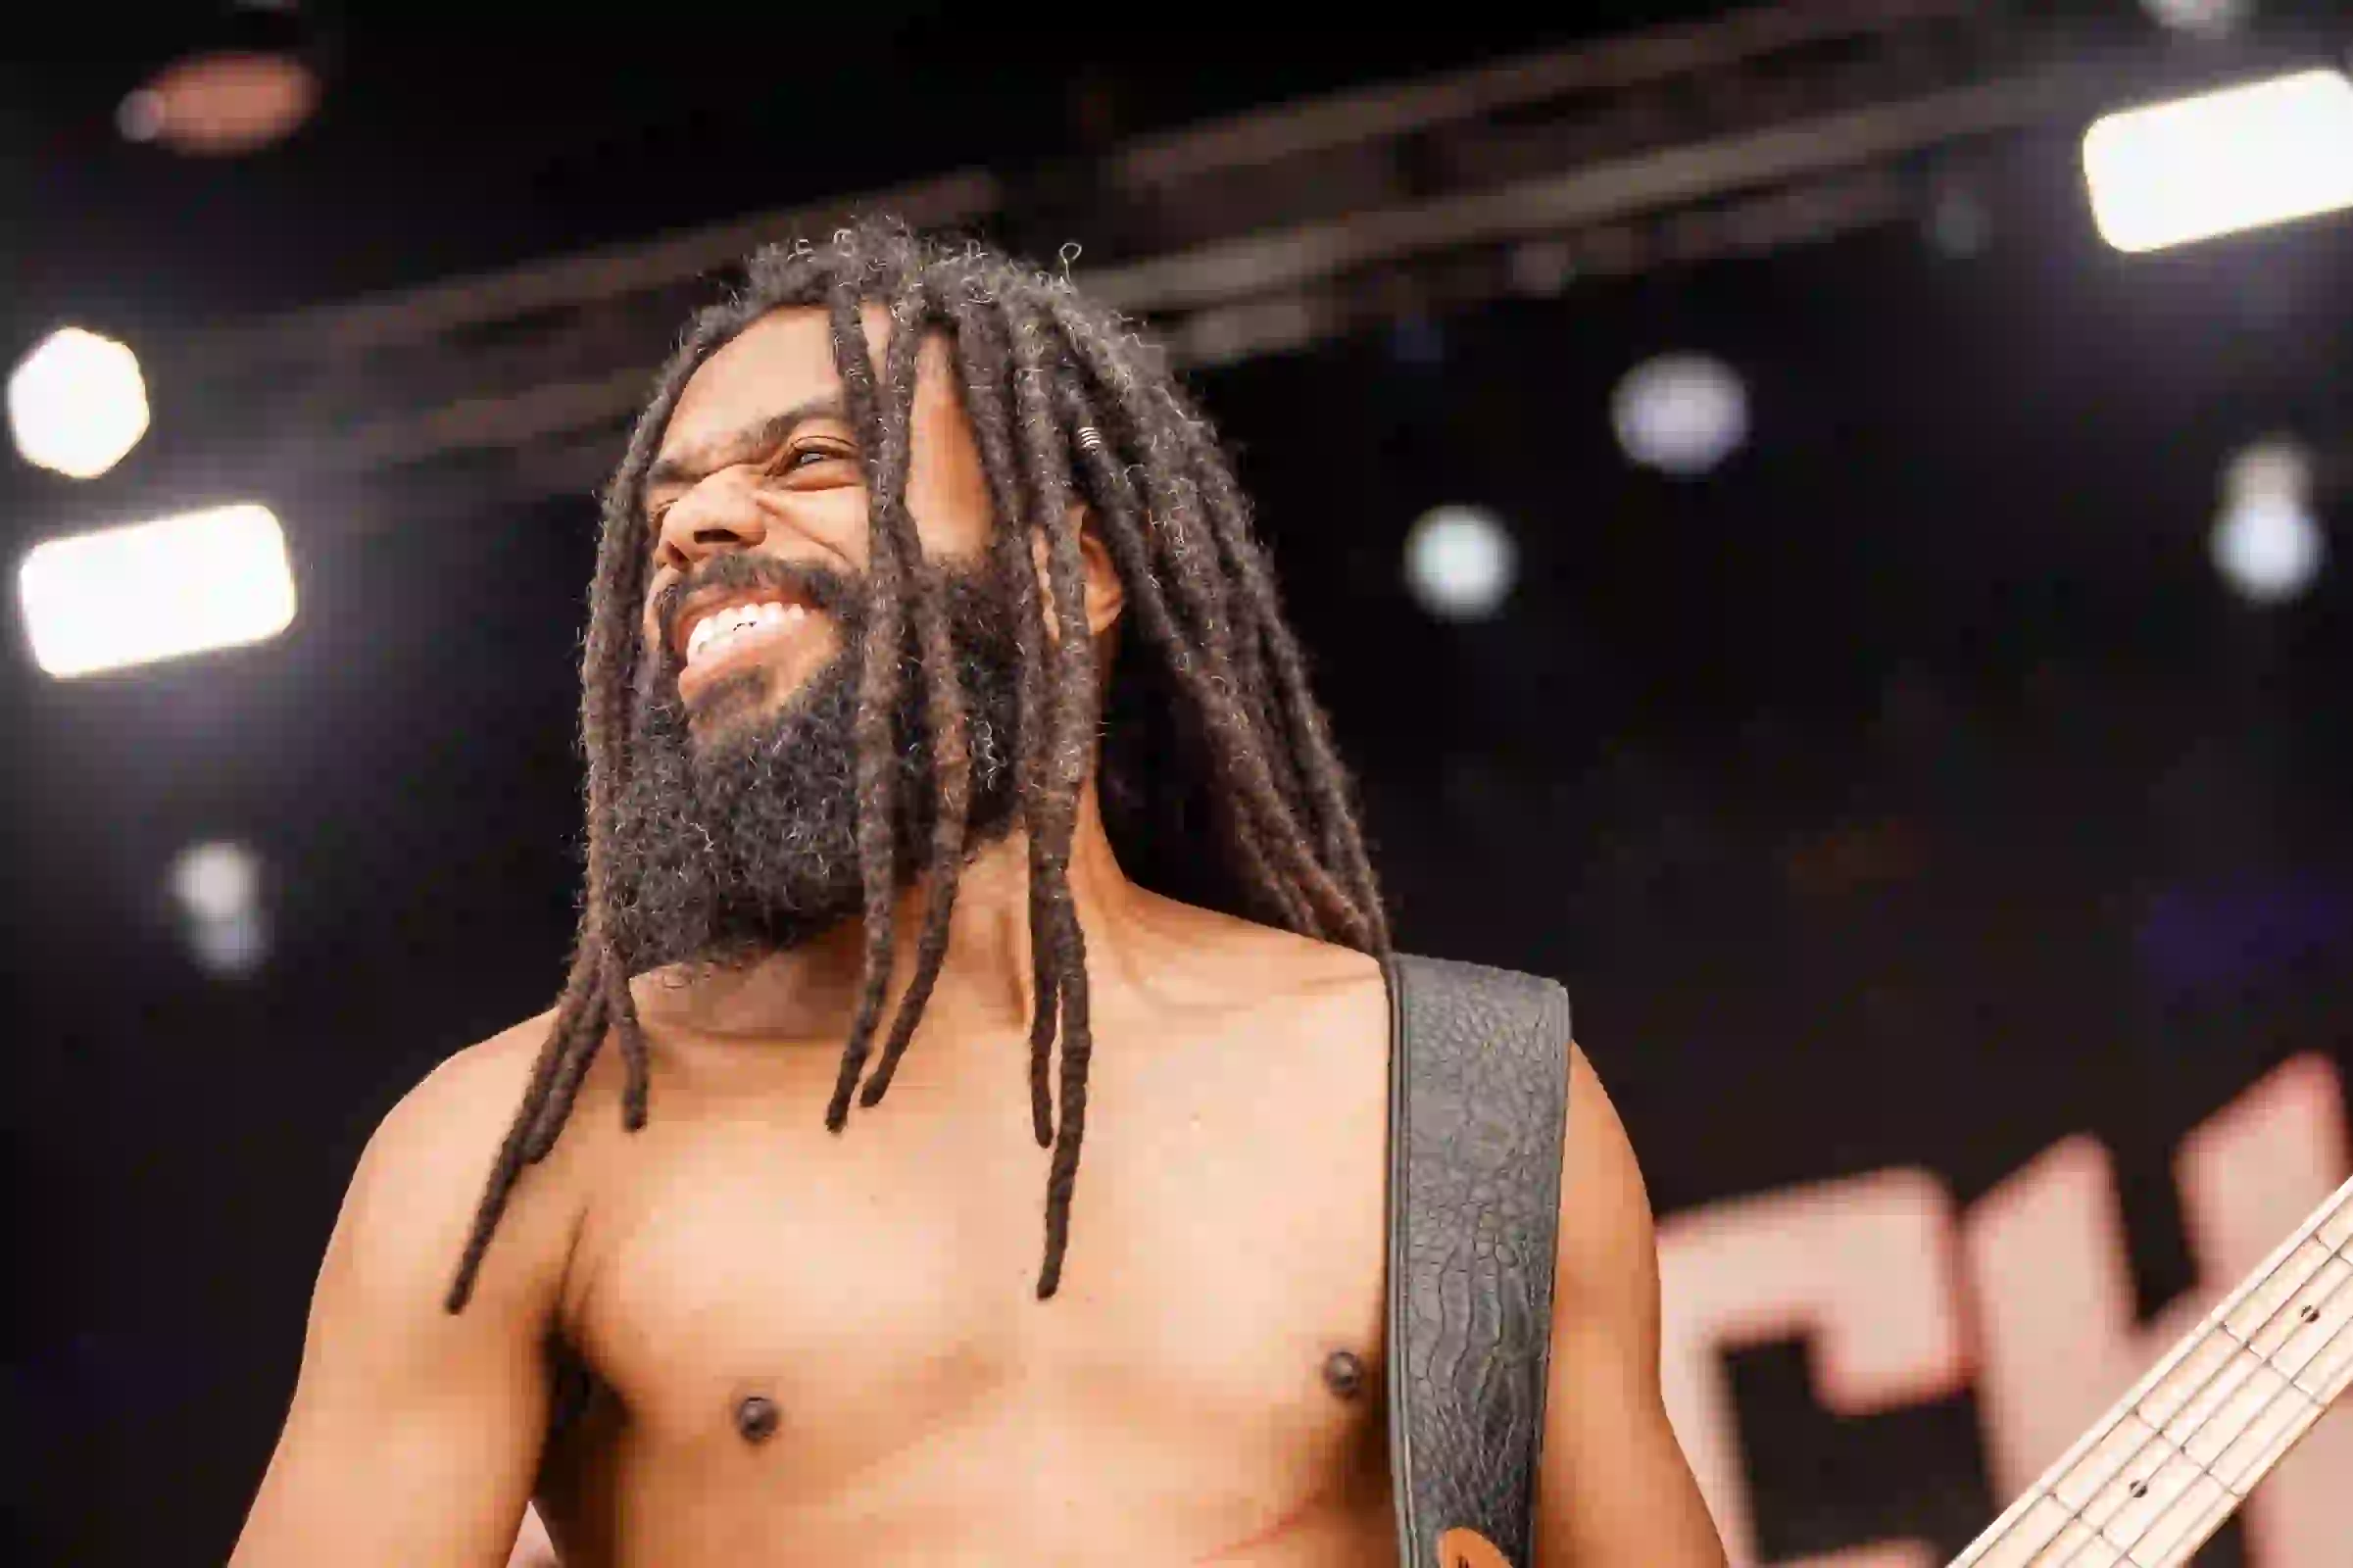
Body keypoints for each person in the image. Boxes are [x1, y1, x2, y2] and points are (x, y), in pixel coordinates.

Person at [227, 221, 1728, 1567]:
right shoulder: (519, 1150)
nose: (693, 527)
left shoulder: (1445, 1090)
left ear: (1068, 572)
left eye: (811, 460)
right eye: (666, 506)